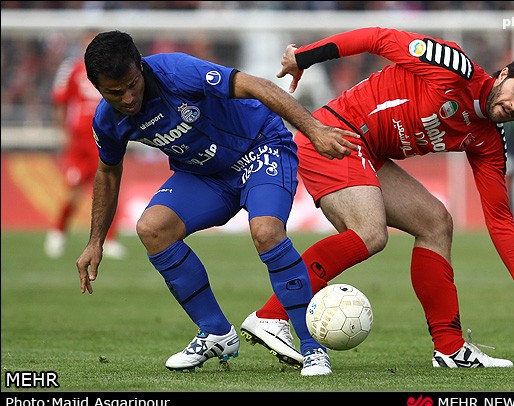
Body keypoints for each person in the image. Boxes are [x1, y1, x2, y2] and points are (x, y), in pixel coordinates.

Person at [240, 26, 514, 369]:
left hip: (369, 152)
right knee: (370, 233)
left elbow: (499, 218)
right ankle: (271, 315)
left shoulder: (489, 140)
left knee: (436, 223)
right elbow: (377, 38)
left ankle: (450, 349)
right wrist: (304, 57)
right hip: (334, 133)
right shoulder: (452, 65)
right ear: (505, 73)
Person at [75, 30, 359, 376]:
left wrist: (314, 130)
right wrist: (95, 241)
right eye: (115, 93)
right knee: (152, 229)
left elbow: (258, 86)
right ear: (98, 88)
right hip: (206, 174)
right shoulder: (108, 120)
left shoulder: (177, 72)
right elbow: (107, 172)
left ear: (140, 66)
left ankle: (312, 349)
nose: (128, 98)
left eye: (132, 85)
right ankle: (215, 332)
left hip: (260, 147)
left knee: (266, 231)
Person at [45, 32, 126, 260]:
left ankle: (110, 240)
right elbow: (60, 101)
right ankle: (58, 232)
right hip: (79, 140)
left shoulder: (112, 70)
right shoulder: (71, 69)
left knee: (110, 186)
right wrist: (63, 132)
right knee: (73, 190)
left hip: (104, 138)